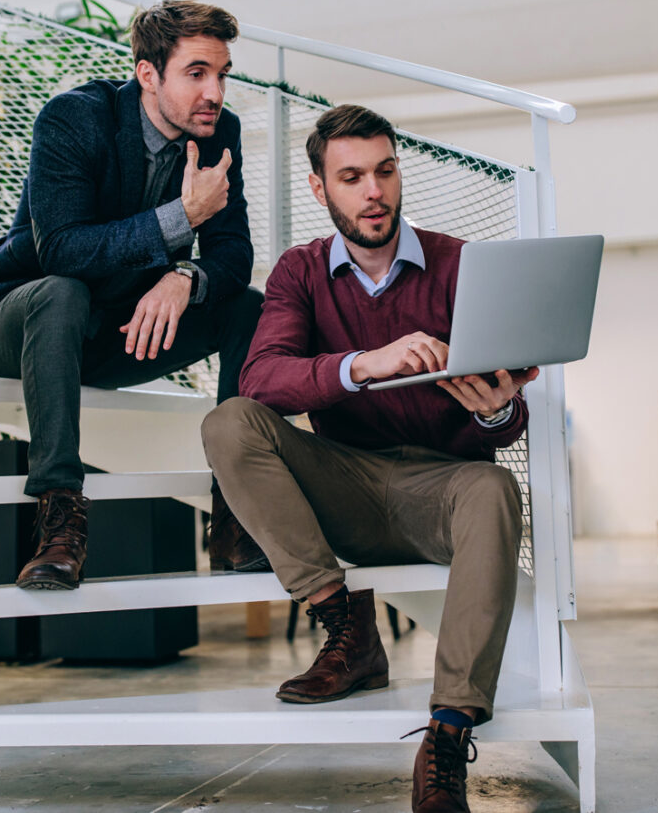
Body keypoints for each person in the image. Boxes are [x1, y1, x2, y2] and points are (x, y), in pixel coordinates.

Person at [201, 104, 537, 813]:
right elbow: (263, 378)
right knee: (230, 422)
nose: (374, 190)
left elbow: (508, 421)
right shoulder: (299, 271)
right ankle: (347, 628)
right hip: (345, 481)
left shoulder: (460, 264)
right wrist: (365, 363)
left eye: (384, 170)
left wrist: (496, 407)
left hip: (443, 486)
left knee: (494, 490)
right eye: (351, 176)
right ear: (322, 189)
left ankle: (447, 734)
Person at [0, 0, 267, 591]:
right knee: (63, 291)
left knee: (247, 305)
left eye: (221, 74)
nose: (215, 92)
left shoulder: (221, 133)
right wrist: (181, 218)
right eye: (196, 73)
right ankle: (59, 519)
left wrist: (184, 277)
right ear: (148, 74)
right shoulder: (76, 118)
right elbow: (61, 251)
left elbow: (233, 252)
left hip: (117, 332)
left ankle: (234, 515)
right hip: (20, 321)